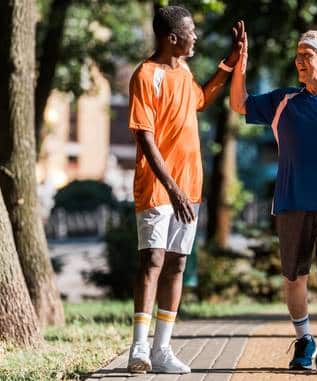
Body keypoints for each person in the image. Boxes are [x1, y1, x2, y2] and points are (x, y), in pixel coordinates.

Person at [230, 30, 317, 375]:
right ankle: (304, 338)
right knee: (295, 278)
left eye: (306, 55)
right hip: (291, 202)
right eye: (297, 55)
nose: (299, 61)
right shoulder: (285, 100)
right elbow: (239, 104)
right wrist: (241, 65)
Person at [126, 6, 245, 374]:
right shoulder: (146, 75)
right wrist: (172, 188)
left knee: (177, 264)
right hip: (159, 188)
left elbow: (201, 100)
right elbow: (145, 137)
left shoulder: (184, 71)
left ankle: (162, 350)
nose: (196, 37)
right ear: (172, 38)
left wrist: (229, 63)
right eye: (190, 32)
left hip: (189, 187)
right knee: (153, 262)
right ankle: (138, 349)